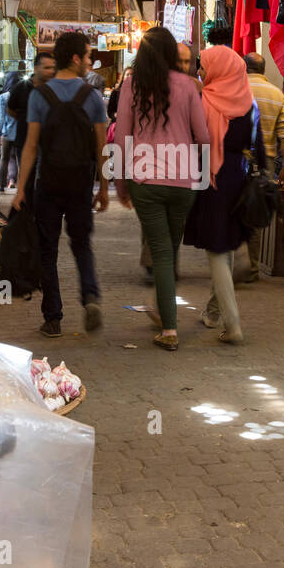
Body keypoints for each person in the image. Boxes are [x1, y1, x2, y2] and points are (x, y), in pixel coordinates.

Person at [114, 27, 210, 351]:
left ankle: (169, 329)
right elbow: (203, 136)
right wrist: (205, 172)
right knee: (168, 249)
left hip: (146, 182)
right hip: (184, 182)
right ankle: (162, 308)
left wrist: (120, 183)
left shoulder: (132, 85)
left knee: (162, 253)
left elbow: (122, 138)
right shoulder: (188, 85)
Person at [12, 32, 110, 338]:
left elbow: (30, 146)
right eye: (89, 56)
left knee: (47, 250)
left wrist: (20, 188)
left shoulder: (40, 95)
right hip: (80, 182)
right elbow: (102, 147)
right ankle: (90, 296)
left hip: (49, 182)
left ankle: (53, 318)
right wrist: (104, 187)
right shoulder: (91, 97)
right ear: (77, 58)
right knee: (82, 245)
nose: (91, 62)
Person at [183, 45, 263, 344]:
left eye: (203, 66)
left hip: (212, 180)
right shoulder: (248, 103)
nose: (200, 71)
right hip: (239, 179)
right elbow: (260, 147)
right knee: (225, 249)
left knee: (217, 252)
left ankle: (233, 324)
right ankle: (214, 311)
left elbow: (191, 142)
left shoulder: (204, 101)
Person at [243, 52, 284, 282]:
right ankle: (252, 267)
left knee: (233, 208)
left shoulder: (235, 91)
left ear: (244, 68)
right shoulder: (276, 95)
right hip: (266, 164)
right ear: (263, 70)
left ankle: (234, 260)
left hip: (236, 159)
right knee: (255, 213)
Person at [7, 51, 56, 167]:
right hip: (24, 141)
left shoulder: (54, 89)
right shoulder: (21, 87)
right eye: (47, 67)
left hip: (47, 143)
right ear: (36, 68)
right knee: (27, 175)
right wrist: (25, 119)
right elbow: (10, 109)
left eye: (53, 68)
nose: (51, 71)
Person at [0, 72, 19, 192]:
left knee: (4, 158)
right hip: (20, 133)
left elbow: (0, 117)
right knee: (17, 158)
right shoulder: (22, 95)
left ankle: (1, 185)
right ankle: (14, 181)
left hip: (6, 133)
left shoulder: (3, 97)